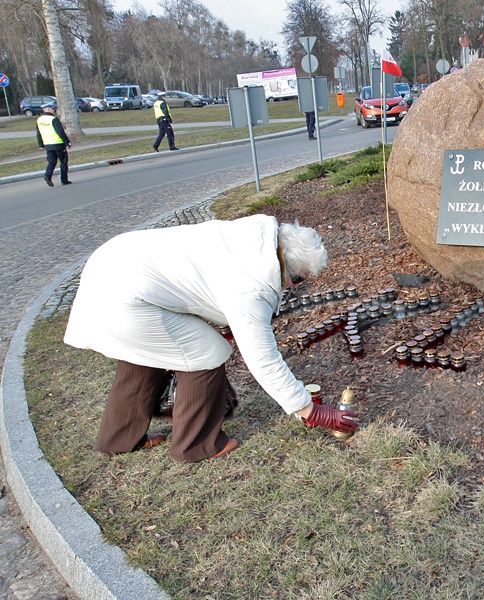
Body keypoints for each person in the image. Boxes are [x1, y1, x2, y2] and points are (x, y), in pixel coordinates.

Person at [63, 215, 358, 462]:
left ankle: (119, 437)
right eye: (298, 279)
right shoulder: (253, 286)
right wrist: (310, 410)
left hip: (112, 262)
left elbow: (202, 284)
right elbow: (263, 361)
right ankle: (196, 445)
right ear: (285, 264)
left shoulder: (251, 236)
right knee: (206, 351)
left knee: (147, 353)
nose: (293, 287)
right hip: (126, 297)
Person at [35, 103, 72, 187]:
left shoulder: (39, 120)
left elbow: (38, 133)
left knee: (52, 162)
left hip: (48, 145)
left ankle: (47, 175)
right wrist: (67, 142)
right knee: (63, 162)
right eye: (52, 108)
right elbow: (60, 132)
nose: (53, 110)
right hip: (58, 144)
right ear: (48, 109)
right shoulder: (53, 119)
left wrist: (41, 145)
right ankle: (64, 179)